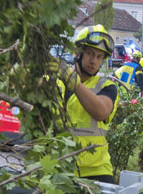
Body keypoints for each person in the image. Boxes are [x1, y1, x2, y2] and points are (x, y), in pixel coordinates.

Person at [50, 25, 119, 184]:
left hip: (97, 172)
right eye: (90, 54)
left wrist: (72, 82)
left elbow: (101, 111)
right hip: (61, 169)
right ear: (78, 53)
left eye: (99, 57)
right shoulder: (56, 83)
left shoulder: (106, 87)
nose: (94, 61)